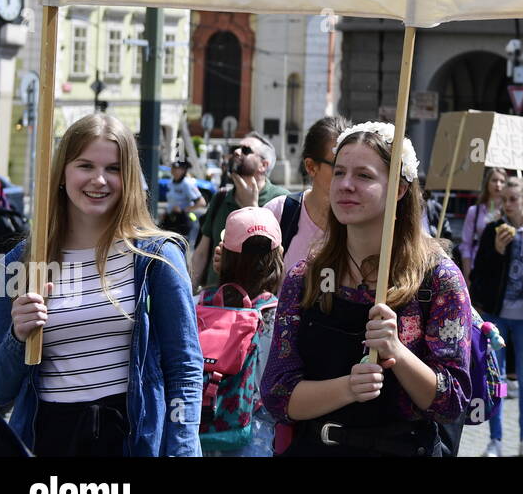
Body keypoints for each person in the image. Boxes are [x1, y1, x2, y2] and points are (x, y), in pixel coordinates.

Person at [0, 114, 203, 456]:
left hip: (131, 441)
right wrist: (18, 336)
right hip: (49, 442)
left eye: (114, 169)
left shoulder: (156, 258)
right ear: (62, 173)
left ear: (129, 178)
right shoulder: (18, 265)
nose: (99, 180)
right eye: (85, 165)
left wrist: (182, 451)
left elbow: (184, 370)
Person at [261, 121, 471, 457]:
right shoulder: (306, 277)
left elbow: (451, 401)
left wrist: (397, 353)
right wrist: (347, 388)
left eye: (364, 176)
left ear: (399, 189)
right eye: (340, 172)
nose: (345, 185)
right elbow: (277, 394)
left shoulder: (439, 279)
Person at [469, 175, 523, 457]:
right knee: (498, 380)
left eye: (513, 199)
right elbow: (479, 274)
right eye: (503, 199)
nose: (507, 205)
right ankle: (496, 440)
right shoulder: (494, 229)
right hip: (498, 317)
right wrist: (496, 251)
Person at [199, 206, 285, 457]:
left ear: (223, 254)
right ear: (278, 256)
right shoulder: (282, 317)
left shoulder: (197, 305)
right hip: (254, 435)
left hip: (197, 432)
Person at [191, 131, 288, 289]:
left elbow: (275, 261)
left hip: (256, 307)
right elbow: (201, 254)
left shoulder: (282, 201)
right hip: (214, 304)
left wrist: (252, 208)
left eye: (246, 150)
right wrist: (189, 295)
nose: (236, 152)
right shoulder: (220, 198)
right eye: (236, 148)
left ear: (264, 165)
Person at [263, 116, 349, 279]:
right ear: (311, 166)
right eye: (338, 168)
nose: (348, 179)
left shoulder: (361, 222)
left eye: (355, 168)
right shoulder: (278, 213)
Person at [460, 167, 508, 280]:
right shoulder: (474, 211)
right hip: (478, 266)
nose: (498, 184)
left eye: (502, 181)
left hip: (503, 267)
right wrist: (467, 275)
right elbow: (466, 245)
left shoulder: (509, 212)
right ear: (487, 183)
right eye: (494, 180)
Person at [163, 158, 207, 245]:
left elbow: (202, 202)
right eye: (173, 167)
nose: (173, 170)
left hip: (182, 220)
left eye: (177, 168)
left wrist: (183, 210)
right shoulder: (171, 183)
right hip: (170, 219)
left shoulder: (187, 184)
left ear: (183, 170)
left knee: (180, 246)